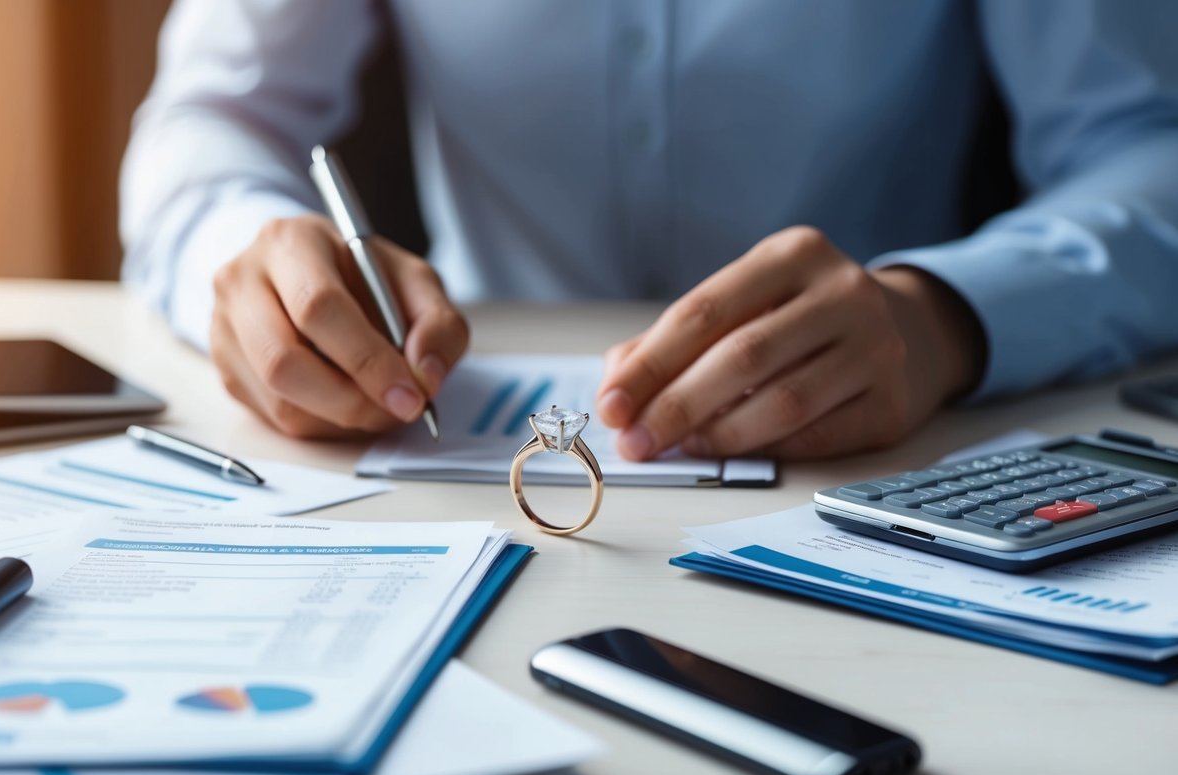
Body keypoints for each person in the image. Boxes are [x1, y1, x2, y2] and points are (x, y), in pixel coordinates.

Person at [121, 1, 1178, 461]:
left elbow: (1146, 146)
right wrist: (249, 255)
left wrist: (945, 318)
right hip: (455, 454)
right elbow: (214, 120)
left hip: (880, 448)